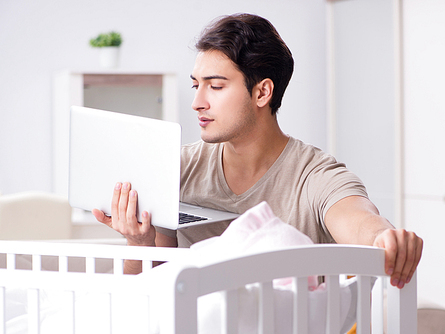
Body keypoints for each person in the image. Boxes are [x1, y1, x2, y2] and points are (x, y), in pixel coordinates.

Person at [92, 13, 423, 289]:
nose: (197, 103)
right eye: (197, 85)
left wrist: (385, 239)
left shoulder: (315, 175)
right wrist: (138, 242)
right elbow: (150, 292)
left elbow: (360, 221)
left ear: (263, 92)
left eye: (216, 86)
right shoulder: (177, 168)